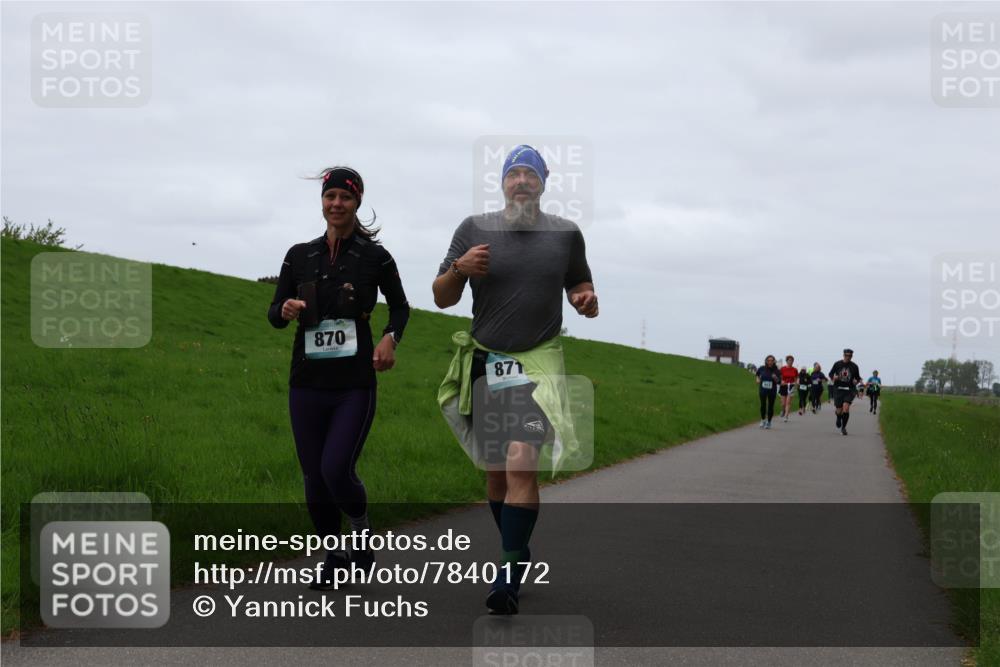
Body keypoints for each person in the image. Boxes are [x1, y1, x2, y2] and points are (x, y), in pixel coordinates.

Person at [433, 145, 597, 615]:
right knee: (495, 473)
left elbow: (580, 285)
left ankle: (506, 576)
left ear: (544, 183)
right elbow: (442, 297)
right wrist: (458, 270)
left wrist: (586, 299)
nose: (522, 181)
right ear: (502, 183)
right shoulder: (472, 229)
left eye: (531, 174)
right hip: (486, 363)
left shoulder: (566, 234)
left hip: (537, 366)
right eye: (514, 174)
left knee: (521, 461)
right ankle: (517, 547)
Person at [267, 166, 410, 588]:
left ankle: (361, 529)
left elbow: (400, 307)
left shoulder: (376, 256)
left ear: (357, 202)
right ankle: (333, 553)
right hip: (306, 381)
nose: (336, 204)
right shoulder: (298, 254)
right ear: (322, 202)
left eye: (345, 198)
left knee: (335, 469)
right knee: (313, 478)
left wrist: (389, 338)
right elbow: (274, 315)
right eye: (330, 197)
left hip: (353, 383)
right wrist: (287, 310)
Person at [829, 348, 862, 436]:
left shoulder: (854, 366)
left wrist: (856, 381)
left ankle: (843, 428)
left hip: (849, 390)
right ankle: (838, 417)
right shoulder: (837, 364)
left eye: (850, 356)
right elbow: (830, 374)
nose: (848, 357)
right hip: (838, 389)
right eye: (846, 355)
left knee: (846, 408)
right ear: (843, 355)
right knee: (839, 410)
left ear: (852, 356)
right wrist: (834, 377)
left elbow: (858, 378)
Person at [756, 355, 780, 429]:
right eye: (768, 360)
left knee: (770, 406)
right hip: (763, 389)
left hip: (772, 390)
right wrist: (757, 379)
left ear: (774, 362)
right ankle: (763, 420)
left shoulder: (776, 370)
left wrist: (775, 377)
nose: (770, 362)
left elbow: (779, 381)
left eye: (771, 360)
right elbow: (757, 375)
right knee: (763, 405)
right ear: (766, 361)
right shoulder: (762, 368)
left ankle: (769, 422)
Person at [778, 355, 799, 422]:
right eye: (789, 360)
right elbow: (780, 377)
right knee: (783, 403)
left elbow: (796, 378)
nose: (790, 362)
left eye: (792, 360)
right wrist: (781, 381)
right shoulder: (782, 369)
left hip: (791, 386)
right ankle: (783, 410)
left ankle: (786, 416)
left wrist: (796, 383)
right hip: (783, 386)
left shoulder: (795, 369)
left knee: (788, 402)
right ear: (786, 361)